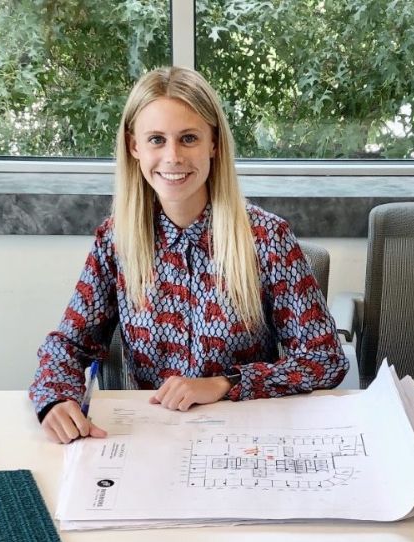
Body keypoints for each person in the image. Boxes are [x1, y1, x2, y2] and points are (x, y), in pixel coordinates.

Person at [29, 66, 348, 444]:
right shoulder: (117, 240)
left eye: (189, 138)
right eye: (157, 139)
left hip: (246, 437)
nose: (173, 156)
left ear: (214, 143)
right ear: (135, 147)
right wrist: (55, 399)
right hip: (151, 438)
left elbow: (325, 359)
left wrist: (224, 383)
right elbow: (68, 344)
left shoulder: (266, 238)